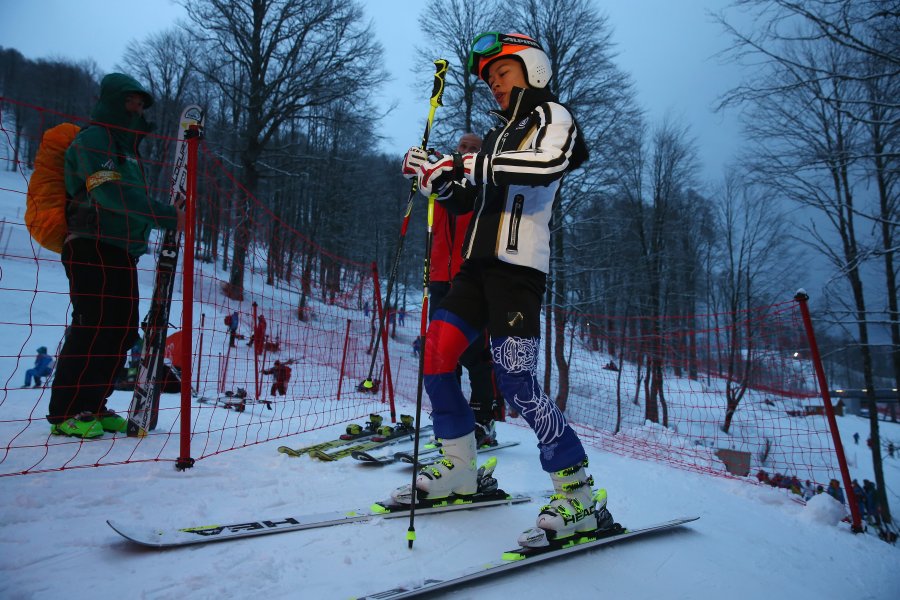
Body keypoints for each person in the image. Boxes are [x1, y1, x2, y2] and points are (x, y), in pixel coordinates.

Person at [395, 32, 611, 544]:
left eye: (502, 73)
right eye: (490, 79)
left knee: (516, 382)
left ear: (531, 68)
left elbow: (549, 165)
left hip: (519, 272)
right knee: (436, 356)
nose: (494, 84)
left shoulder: (553, 117)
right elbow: (466, 199)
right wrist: (436, 179)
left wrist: (473, 164)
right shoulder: (493, 137)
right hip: (474, 269)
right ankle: (459, 467)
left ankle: (577, 494)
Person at [47, 73, 183, 439]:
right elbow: (108, 194)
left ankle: (93, 404)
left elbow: (125, 201)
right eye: (130, 102)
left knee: (121, 330)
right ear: (111, 101)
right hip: (92, 243)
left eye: (140, 104)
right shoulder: (95, 139)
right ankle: (64, 412)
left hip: (121, 250)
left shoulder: (125, 150)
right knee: (92, 323)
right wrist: (167, 215)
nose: (137, 109)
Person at [422, 132, 502, 447]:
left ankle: (483, 419)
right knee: (442, 355)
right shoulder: (443, 181)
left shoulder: (484, 187)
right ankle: (451, 421)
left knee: (474, 353)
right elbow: (423, 180)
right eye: (463, 147)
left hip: (471, 279)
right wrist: (420, 161)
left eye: (473, 149)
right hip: (440, 277)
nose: (466, 151)